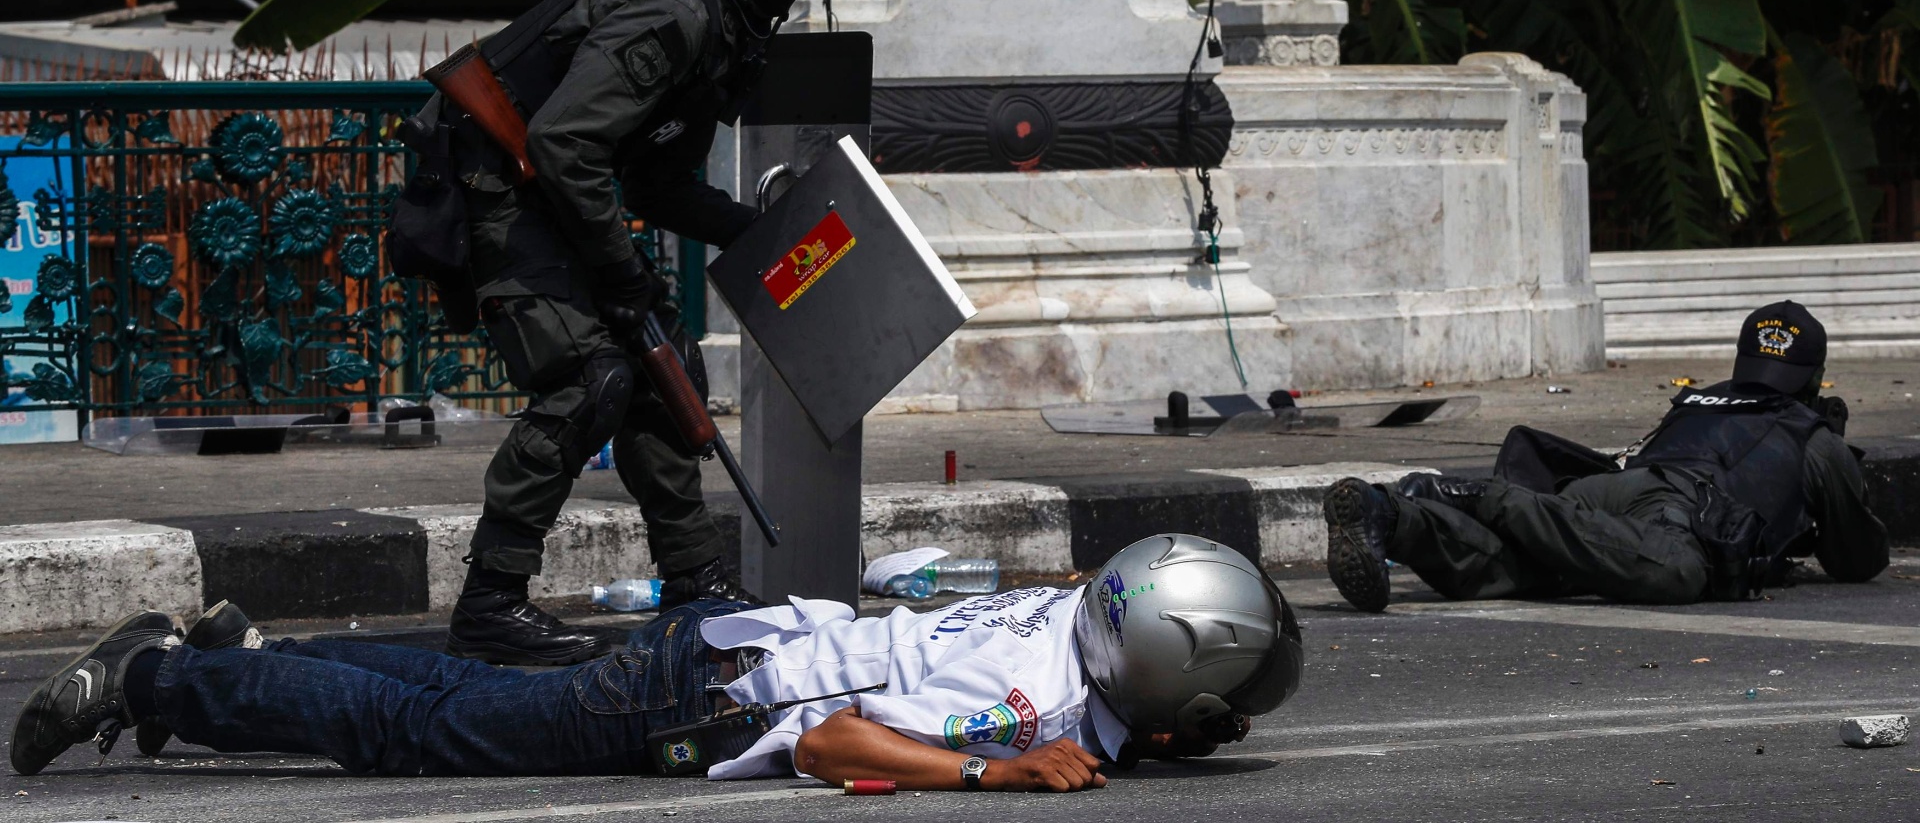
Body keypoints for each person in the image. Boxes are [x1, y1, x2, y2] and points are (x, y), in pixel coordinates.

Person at [426, 0, 847, 666]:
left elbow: (655, 183)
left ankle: (693, 585)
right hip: (497, 190)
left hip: (554, 195)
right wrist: (622, 277)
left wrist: (747, 229)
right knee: (593, 377)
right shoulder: (674, 15)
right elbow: (562, 144)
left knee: (664, 366)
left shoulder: (725, 32)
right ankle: (490, 601)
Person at [12, 534, 1303, 789]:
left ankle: (239, 655)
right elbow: (827, 746)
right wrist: (1000, 782)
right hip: (710, 693)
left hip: (739, 636)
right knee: (430, 738)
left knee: (476, 696)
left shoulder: (1065, 605)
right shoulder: (1030, 713)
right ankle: (155, 681)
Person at [1324, 301, 1888, 612]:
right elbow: (1857, 559)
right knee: (1680, 573)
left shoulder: (1702, 399)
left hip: (1610, 492)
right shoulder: (1813, 436)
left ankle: (1389, 516)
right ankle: (1464, 494)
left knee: (1515, 570)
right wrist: (1839, 454)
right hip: (1677, 514)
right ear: (1814, 379)